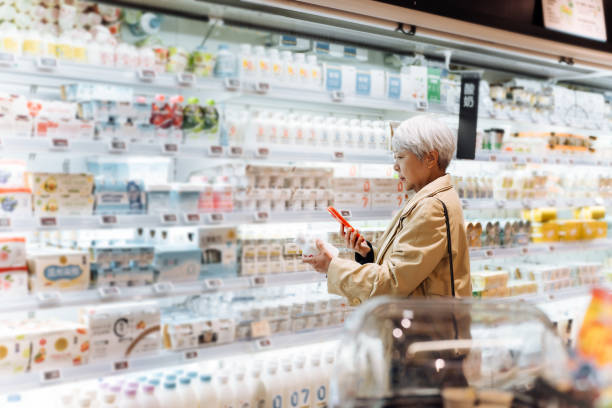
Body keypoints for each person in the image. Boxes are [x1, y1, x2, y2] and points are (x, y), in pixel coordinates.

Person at [304, 115, 471, 306]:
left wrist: (332, 266)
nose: (395, 166)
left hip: (424, 331)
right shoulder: (433, 197)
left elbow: (392, 283)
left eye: (401, 157)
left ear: (430, 158)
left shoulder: (432, 206)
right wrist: (369, 254)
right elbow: (411, 270)